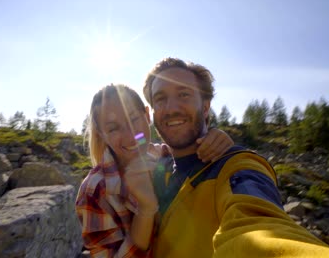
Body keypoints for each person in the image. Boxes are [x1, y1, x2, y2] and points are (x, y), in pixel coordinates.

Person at [143, 57, 329, 257]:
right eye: (160, 99)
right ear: (153, 112)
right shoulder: (156, 167)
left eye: (184, 94)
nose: (171, 108)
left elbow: (257, 226)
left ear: (205, 107)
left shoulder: (235, 166)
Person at [75, 84, 234, 257]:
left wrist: (216, 139)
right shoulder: (95, 190)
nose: (130, 136)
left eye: (134, 119)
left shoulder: (167, 155)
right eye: (113, 128)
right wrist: (145, 209)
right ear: (102, 134)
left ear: (147, 115)